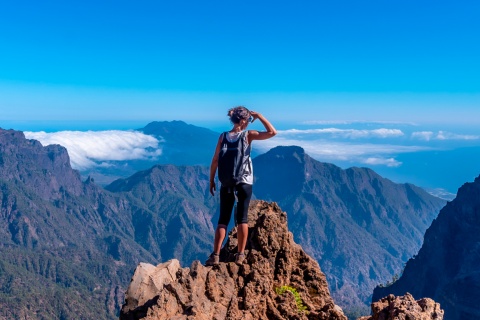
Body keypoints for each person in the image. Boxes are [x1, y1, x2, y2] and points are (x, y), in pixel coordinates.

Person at [205, 106, 276, 266]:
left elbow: (215, 159)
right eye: (249, 120)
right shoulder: (248, 136)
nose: (249, 123)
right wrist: (260, 115)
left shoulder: (223, 136)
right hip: (244, 181)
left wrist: (212, 180)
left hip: (226, 182)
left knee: (223, 220)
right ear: (244, 120)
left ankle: (215, 255)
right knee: (242, 219)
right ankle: (240, 255)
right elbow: (272, 132)